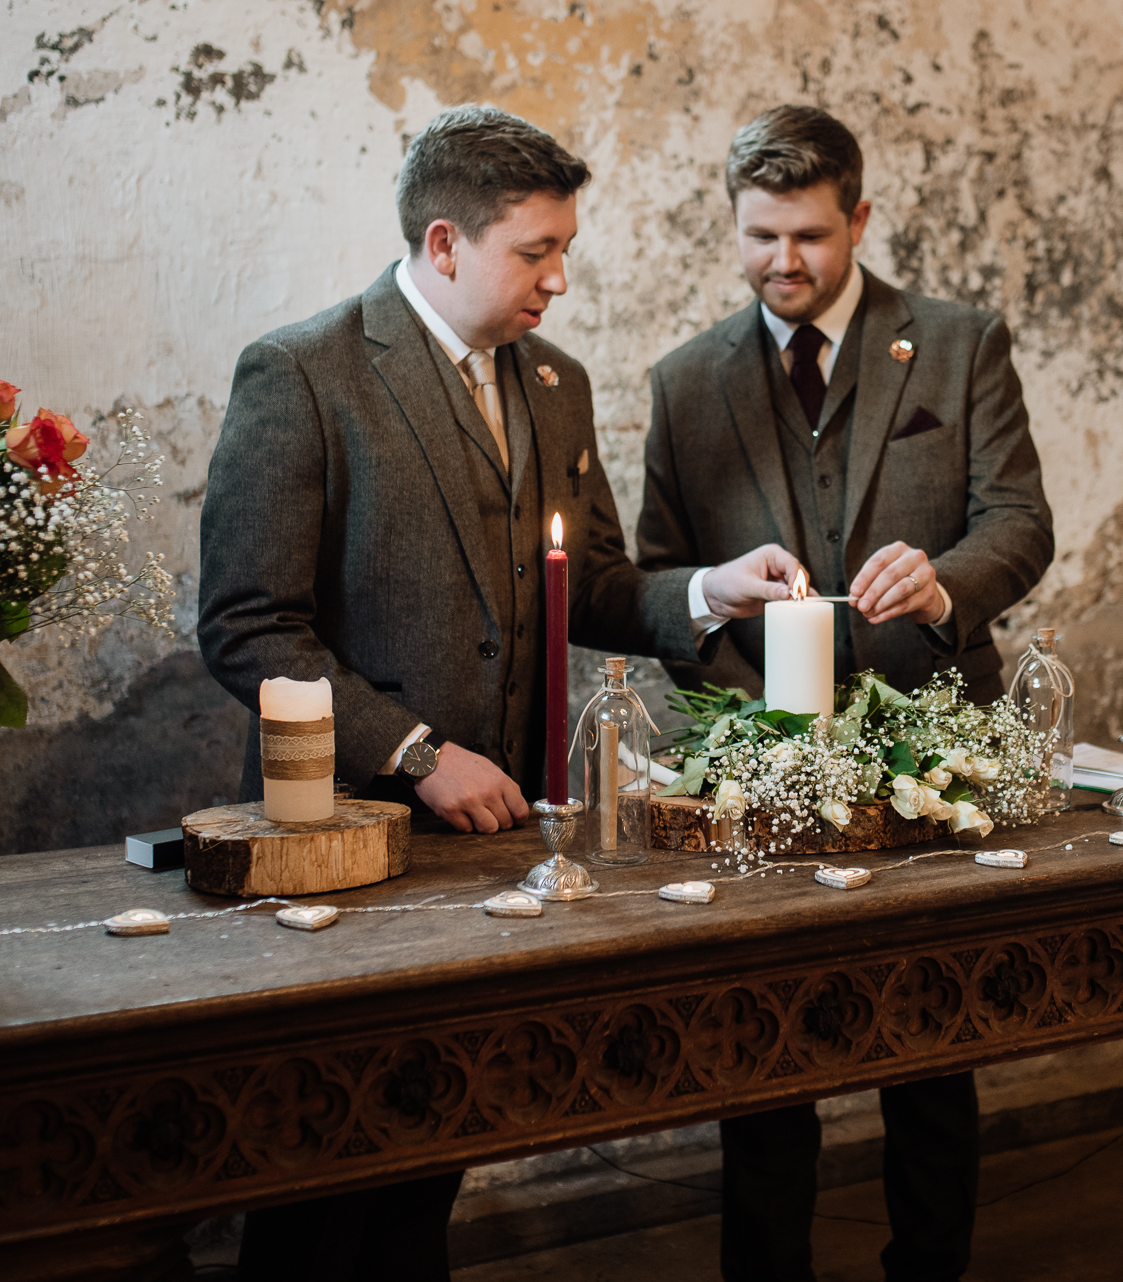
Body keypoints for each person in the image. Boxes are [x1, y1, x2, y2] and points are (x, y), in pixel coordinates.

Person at [197, 104, 798, 1280]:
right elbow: (248, 628)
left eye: (564, 249)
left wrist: (712, 593)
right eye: (538, 252)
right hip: (346, 841)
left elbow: (603, 588)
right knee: (320, 1176)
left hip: (503, 843)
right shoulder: (302, 372)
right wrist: (417, 750)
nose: (561, 280)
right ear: (443, 245)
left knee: (431, 1155)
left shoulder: (558, 385)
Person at [636, 105, 1054, 1281]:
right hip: (763, 763)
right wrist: (742, 709)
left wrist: (942, 585)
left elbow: (1021, 523)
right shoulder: (684, 382)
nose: (784, 261)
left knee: (934, 1046)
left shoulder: (962, 343)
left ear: (859, 219)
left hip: (935, 757)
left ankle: (932, 1266)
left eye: (811, 235)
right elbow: (660, 579)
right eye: (760, 235)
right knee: (762, 1061)